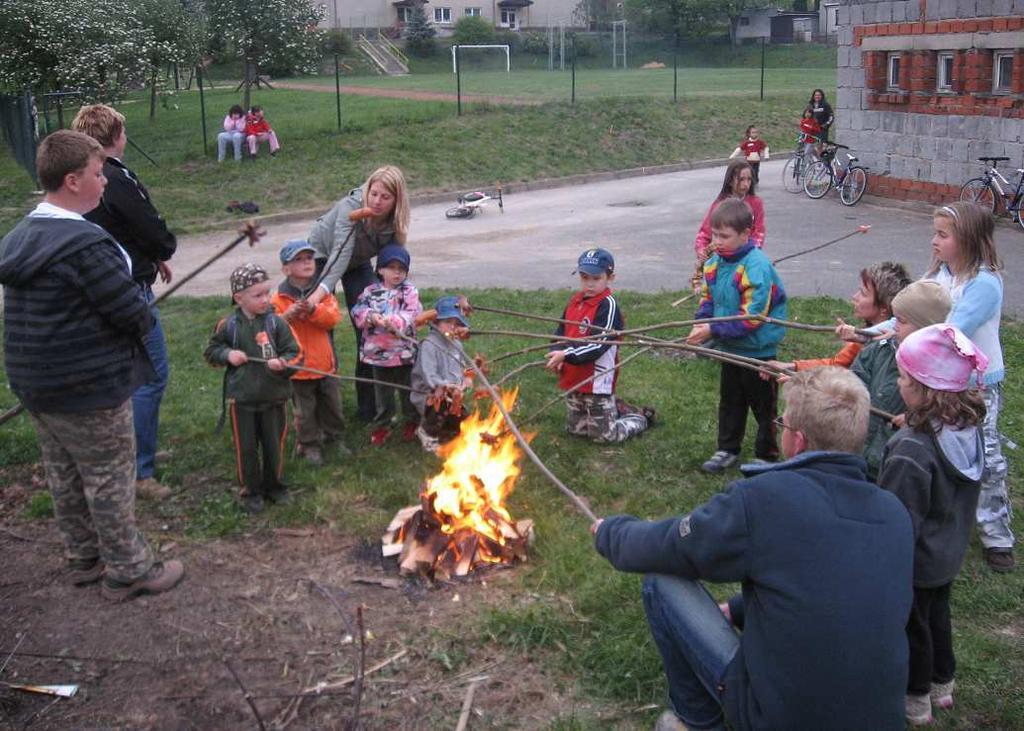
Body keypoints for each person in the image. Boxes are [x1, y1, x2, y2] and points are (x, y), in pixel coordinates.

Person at [592, 367, 914, 731]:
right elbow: (838, 584)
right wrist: (740, 609)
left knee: (662, 581)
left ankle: (696, 720)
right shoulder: (894, 514)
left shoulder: (764, 499)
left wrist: (611, 532)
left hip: (777, 719)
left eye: (782, 422)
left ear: (799, 440)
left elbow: (677, 547)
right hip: (879, 721)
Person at [0, 130, 184, 602]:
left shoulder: (22, 235)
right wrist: (141, 310)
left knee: (64, 472)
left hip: (35, 382)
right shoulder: (84, 245)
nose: (105, 183)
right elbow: (132, 313)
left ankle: (83, 557)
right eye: (98, 174)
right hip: (88, 384)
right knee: (108, 475)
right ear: (72, 180)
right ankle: (129, 568)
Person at [877, 324, 987, 725]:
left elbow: (895, 518)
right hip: (947, 552)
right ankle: (944, 682)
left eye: (903, 377)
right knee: (937, 618)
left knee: (913, 627)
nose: (897, 382)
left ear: (924, 390)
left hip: (916, 560)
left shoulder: (910, 451)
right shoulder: (963, 428)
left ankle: (916, 695)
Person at [71, 103, 177, 502]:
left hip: (113, 283)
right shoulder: (114, 178)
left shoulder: (90, 181)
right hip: (129, 291)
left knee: (128, 378)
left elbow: (117, 230)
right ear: (115, 136)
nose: (126, 138)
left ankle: (136, 449)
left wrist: (153, 258)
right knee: (150, 375)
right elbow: (147, 224)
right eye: (124, 132)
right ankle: (139, 470)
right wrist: (161, 248)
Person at [924, 202, 1013, 572]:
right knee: (939, 450)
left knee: (987, 458)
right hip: (943, 382)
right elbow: (912, 314)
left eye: (943, 235)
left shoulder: (985, 284)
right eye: (935, 233)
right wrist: (870, 332)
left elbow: (949, 328)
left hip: (978, 387)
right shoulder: (939, 277)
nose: (934, 242)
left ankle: (997, 537)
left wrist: (906, 334)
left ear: (969, 240)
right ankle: (944, 518)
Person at [687, 199, 787, 473]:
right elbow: (708, 298)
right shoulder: (715, 264)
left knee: (763, 405)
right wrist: (702, 322)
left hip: (758, 349)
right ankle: (727, 448)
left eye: (724, 236)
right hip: (730, 346)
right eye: (715, 235)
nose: (717, 241)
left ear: (745, 235)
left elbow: (753, 317)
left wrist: (713, 329)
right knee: (731, 399)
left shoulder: (755, 267)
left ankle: (767, 454)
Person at [306, 165, 411, 422]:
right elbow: (339, 256)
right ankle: (321, 406)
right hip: (324, 256)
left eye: (385, 197)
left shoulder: (396, 219)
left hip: (358, 261)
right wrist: (315, 297)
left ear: (396, 200)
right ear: (367, 190)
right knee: (320, 325)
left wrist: (394, 299)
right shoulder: (349, 208)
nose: (376, 202)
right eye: (373, 194)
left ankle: (369, 408)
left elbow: (392, 261)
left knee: (369, 328)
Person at [204, 264, 301, 513]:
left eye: (267, 293)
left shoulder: (277, 324)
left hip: (274, 397)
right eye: (258, 295)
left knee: (273, 445)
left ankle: (275, 486)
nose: (265, 300)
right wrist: (228, 354)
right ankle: (250, 490)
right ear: (239, 298)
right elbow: (211, 352)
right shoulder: (228, 326)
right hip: (243, 400)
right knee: (246, 448)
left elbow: (296, 354)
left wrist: (283, 364)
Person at [545, 248, 653, 444]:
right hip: (574, 376)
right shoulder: (574, 302)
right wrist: (556, 352)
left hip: (596, 379)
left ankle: (639, 417)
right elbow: (561, 332)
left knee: (604, 436)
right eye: (585, 278)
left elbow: (598, 345)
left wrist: (566, 354)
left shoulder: (608, 305)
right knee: (576, 431)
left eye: (596, 278)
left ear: (610, 277)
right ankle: (615, 410)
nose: (590, 284)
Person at [850, 279, 951, 480]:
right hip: (860, 449)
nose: (894, 326)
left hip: (897, 461)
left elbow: (948, 411)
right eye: (895, 319)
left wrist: (918, 419)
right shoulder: (880, 350)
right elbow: (854, 379)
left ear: (926, 327)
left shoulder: (941, 370)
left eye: (902, 321)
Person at [271, 240, 346, 467]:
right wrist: (289, 316)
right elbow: (273, 329)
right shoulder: (278, 299)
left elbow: (332, 319)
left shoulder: (322, 293)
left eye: (309, 258)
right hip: (299, 368)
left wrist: (314, 309)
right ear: (286, 269)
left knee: (333, 405)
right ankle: (309, 444)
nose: (306, 263)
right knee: (305, 412)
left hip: (325, 365)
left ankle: (334, 438)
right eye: (299, 260)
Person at [768, 261, 910, 372]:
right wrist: (792, 367)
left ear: (884, 308)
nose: (855, 297)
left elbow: (836, 367)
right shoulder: (882, 335)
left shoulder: (870, 342)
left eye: (863, 293)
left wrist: (794, 368)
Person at [351, 244, 423, 445]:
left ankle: (412, 422)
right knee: (383, 394)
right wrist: (371, 316)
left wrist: (396, 322)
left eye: (401, 269)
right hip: (378, 355)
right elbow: (357, 310)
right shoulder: (370, 292)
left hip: (403, 354)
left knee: (408, 390)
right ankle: (384, 423)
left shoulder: (409, 291)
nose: (397, 272)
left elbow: (412, 313)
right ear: (380, 270)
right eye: (391, 267)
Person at [411, 296, 473, 453]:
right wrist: (445, 385)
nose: (453, 327)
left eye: (457, 324)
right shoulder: (429, 345)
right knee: (442, 404)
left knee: (463, 420)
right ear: (435, 322)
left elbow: (463, 367)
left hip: (454, 393)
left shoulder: (456, 344)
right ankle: (427, 432)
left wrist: (466, 378)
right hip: (430, 394)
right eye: (448, 322)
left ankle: (448, 428)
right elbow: (429, 376)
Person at [693, 159, 765, 258]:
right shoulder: (719, 205)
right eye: (741, 179)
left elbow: (759, 232)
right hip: (722, 258)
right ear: (730, 181)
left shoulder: (756, 203)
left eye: (749, 179)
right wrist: (702, 251)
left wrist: (752, 253)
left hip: (747, 256)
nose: (746, 184)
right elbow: (705, 233)